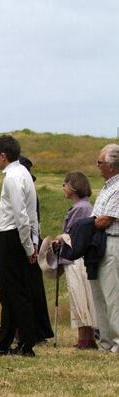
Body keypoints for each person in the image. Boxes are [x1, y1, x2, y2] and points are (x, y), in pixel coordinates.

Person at [0, 135, 53, 356]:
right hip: (20, 237)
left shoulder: (13, 178)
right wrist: (33, 241)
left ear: (3, 156)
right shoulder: (23, 173)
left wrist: (28, 246)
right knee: (12, 291)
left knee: (14, 292)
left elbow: (21, 215)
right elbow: (31, 214)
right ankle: (5, 342)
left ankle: (26, 343)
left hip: (11, 236)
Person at [52, 171, 97, 349]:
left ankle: (85, 339)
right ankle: (85, 338)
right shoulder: (82, 206)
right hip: (77, 258)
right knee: (81, 298)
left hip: (77, 259)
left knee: (81, 297)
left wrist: (61, 238)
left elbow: (76, 235)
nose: (63, 187)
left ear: (73, 186)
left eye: (65, 183)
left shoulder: (81, 208)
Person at [90, 144, 119, 353]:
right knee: (100, 295)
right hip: (100, 244)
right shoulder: (107, 187)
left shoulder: (118, 188)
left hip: (112, 241)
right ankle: (105, 342)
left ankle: (117, 344)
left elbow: (104, 220)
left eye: (100, 162)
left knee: (113, 295)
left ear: (111, 166)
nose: (97, 166)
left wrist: (88, 224)